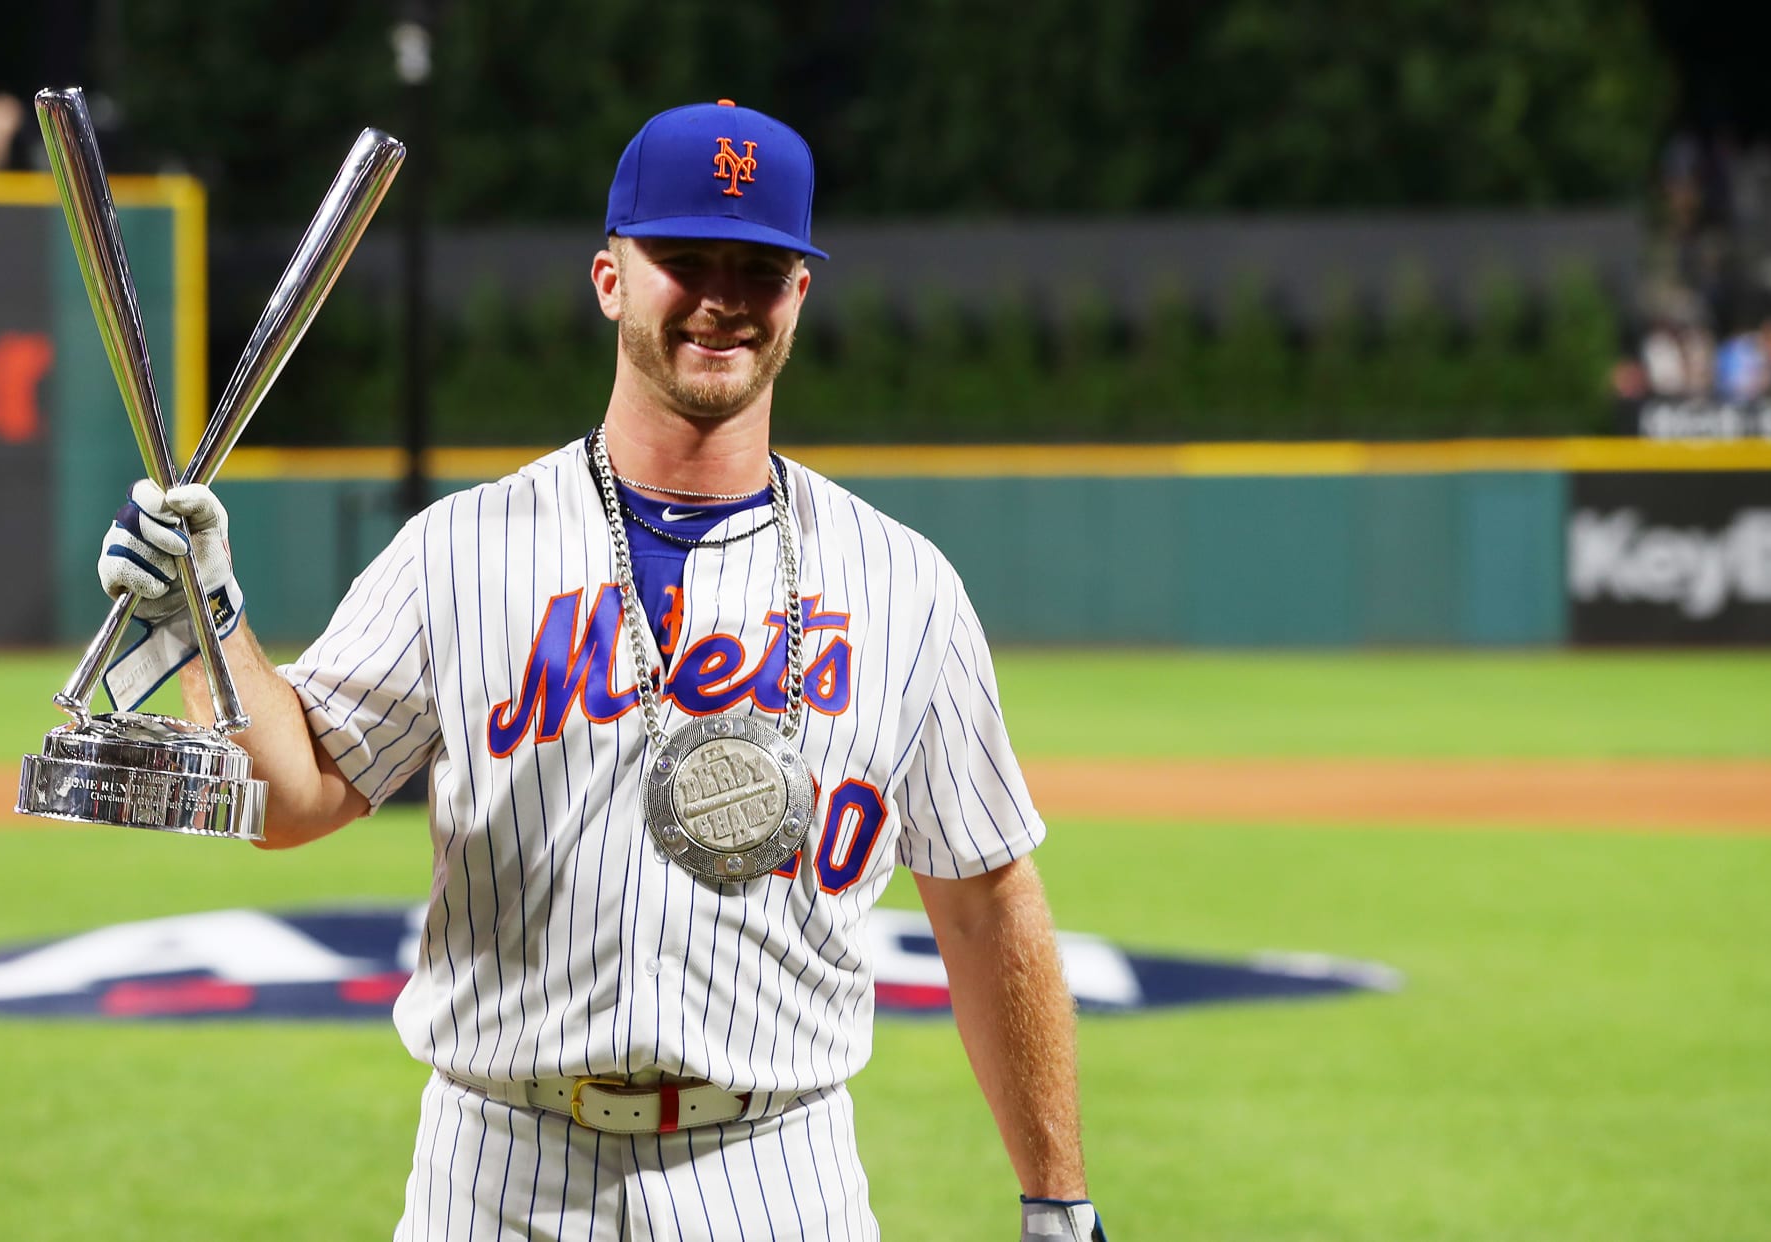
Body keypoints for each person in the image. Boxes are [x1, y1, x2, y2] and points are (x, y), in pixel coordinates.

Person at [99, 100, 1108, 1241]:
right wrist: (202, 621)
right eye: (684, 258)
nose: (723, 297)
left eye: (761, 267)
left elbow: (985, 905)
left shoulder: (904, 585)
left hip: (776, 1172)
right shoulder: (462, 550)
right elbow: (288, 796)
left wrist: (1057, 1199)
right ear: (609, 278)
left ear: (801, 296)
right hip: (499, 1168)